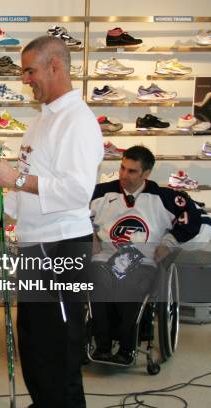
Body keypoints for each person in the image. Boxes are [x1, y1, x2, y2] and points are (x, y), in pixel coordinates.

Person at [0, 36, 103, 407]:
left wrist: (17, 179)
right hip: (36, 246)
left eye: (30, 71)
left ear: (55, 67)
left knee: (59, 346)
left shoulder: (77, 121)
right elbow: (28, 181)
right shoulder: (43, 120)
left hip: (61, 247)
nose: (25, 79)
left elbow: (77, 191)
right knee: (33, 339)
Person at [89, 145, 208, 365]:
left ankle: (127, 348)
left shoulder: (165, 197)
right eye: (122, 168)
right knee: (97, 283)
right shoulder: (100, 192)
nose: (124, 175)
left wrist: (169, 242)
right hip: (104, 258)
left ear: (146, 173)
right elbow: (74, 213)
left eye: (132, 171)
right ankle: (102, 346)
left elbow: (193, 218)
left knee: (131, 285)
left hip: (141, 259)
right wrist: (91, 235)